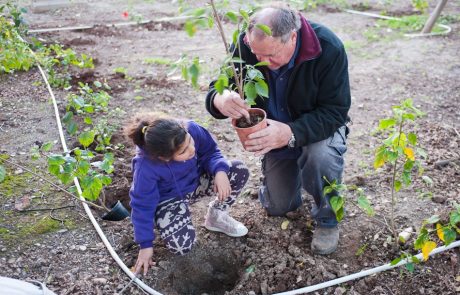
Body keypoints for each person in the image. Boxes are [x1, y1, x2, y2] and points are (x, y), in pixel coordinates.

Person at [205, 5, 350, 255]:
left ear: (292, 37)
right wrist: (221, 99)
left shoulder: (328, 48)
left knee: (320, 157)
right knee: (279, 206)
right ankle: (287, 175)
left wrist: (290, 132)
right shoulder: (248, 44)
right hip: (275, 136)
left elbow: (335, 111)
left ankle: (327, 219)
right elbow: (217, 88)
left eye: (271, 55)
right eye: (256, 53)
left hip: (317, 130)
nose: (262, 61)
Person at [124, 112, 249, 275]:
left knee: (238, 171)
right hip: (169, 199)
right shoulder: (145, 167)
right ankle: (172, 218)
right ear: (164, 158)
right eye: (183, 151)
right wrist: (145, 245)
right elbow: (142, 205)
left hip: (197, 182)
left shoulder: (190, 128)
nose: (192, 150)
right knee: (181, 245)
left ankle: (216, 217)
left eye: (190, 141)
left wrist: (220, 171)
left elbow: (211, 151)